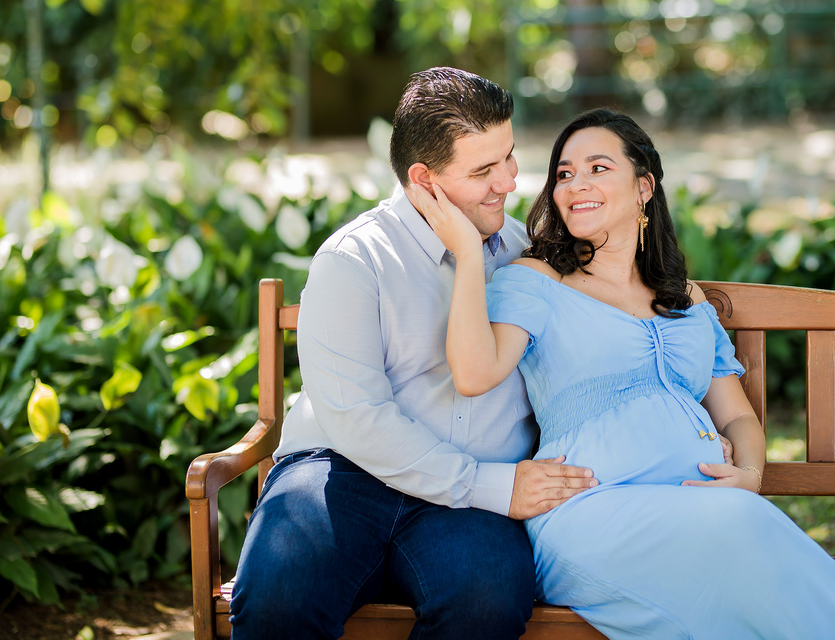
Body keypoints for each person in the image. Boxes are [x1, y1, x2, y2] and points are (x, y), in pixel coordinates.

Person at [410, 108, 835, 639]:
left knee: (761, 558)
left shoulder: (686, 299)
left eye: (598, 168)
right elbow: (474, 374)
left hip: (704, 514)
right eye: (564, 173)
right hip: (591, 513)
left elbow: (736, 416)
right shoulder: (537, 281)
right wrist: (467, 253)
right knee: (750, 535)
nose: (576, 185)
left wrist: (750, 475)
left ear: (644, 187)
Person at [229, 68, 597, 640]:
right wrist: (487, 484)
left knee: (487, 601)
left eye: (508, 156)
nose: (509, 181)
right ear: (424, 179)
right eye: (483, 170)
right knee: (279, 599)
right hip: (343, 473)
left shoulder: (529, 257)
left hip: (469, 505)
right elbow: (357, 419)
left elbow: (590, 361)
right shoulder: (354, 260)